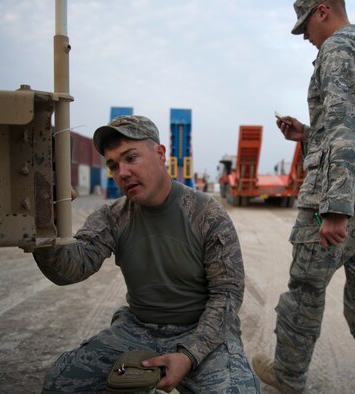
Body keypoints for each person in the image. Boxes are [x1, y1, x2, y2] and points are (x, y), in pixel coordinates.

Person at [33, 115, 259, 393]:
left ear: (160, 154)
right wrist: (45, 226)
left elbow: (227, 294)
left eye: (131, 158)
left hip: (201, 330)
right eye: (114, 165)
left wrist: (188, 355)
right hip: (136, 329)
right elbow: (70, 269)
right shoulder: (112, 216)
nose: (122, 172)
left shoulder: (206, 214)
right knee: (60, 385)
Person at [251, 1, 355, 393]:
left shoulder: (337, 50)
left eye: (304, 24)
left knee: (304, 292)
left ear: (323, 10)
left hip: (343, 197)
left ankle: (287, 378)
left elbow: (349, 126)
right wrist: (307, 134)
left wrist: (337, 207)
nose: (304, 34)